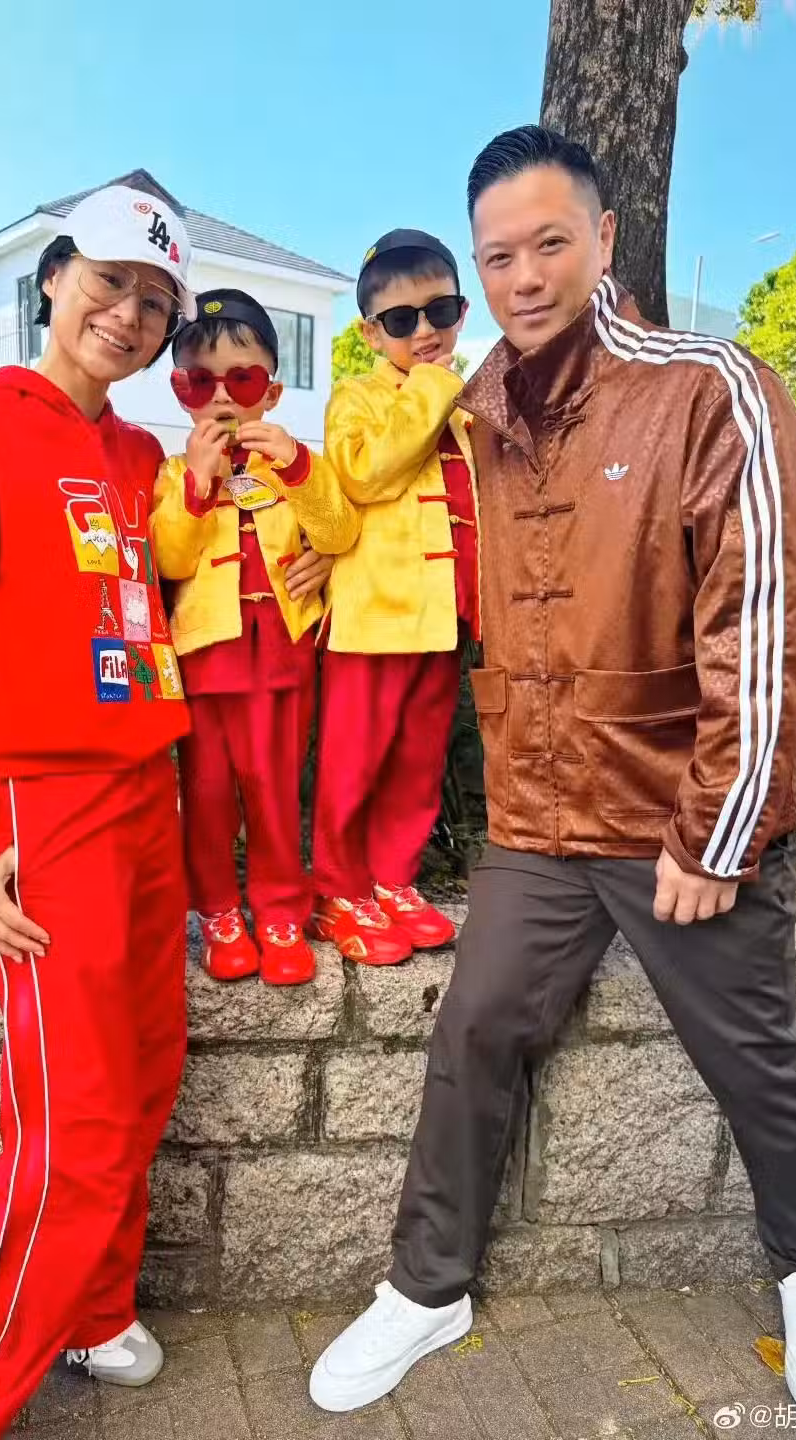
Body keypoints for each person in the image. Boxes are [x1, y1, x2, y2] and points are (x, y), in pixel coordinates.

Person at [311, 127, 796, 1426]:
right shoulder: (479, 408)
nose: (524, 277)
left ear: (605, 239)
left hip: (680, 817)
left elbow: (769, 619)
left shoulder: (707, 385)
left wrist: (718, 832)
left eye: (550, 243)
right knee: (475, 1030)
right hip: (540, 816)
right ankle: (426, 1287)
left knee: (756, 1054)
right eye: (498, 256)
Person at [0, 185, 198, 1440]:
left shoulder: (140, 458)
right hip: (42, 806)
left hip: (146, 794)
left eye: (156, 302)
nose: (129, 314)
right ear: (55, 277)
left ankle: (92, 1310)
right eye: (110, 282)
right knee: (73, 1125)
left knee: (144, 1074)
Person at [153, 289, 359, 984]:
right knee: (208, 798)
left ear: (269, 393)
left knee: (273, 794)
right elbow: (170, 559)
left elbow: (338, 531)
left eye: (240, 381)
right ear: (180, 392)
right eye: (199, 382)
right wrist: (197, 486)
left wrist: (299, 469)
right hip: (205, 663)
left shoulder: (294, 466)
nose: (220, 397)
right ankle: (217, 912)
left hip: (280, 660)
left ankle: (279, 913)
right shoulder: (173, 474)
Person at [311, 229, 479, 965]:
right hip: (374, 621)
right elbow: (364, 474)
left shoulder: (468, 411)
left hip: (442, 618)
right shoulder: (357, 399)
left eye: (440, 311)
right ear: (370, 333)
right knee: (355, 761)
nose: (425, 331)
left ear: (462, 310)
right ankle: (337, 891)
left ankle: (392, 880)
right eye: (402, 319)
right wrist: (432, 390)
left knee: (416, 761)